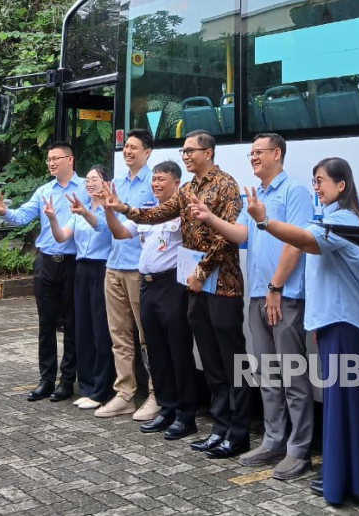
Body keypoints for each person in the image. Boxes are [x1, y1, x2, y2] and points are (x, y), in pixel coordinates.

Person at [103, 129, 250, 459]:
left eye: (190, 150)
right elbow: (157, 214)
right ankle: (220, 427)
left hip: (222, 284)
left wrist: (200, 271)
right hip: (196, 286)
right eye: (183, 151)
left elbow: (227, 236)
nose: (185, 155)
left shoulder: (225, 185)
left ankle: (239, 433)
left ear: (208, 153)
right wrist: (123, 208)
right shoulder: (188, 189)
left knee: (232, 360)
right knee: (210, 362)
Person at [244, 157, 359, 505]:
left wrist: (265, 221)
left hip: (348, 327)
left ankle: (343, 480)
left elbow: (303, 240)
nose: (316, 188)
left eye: (321, 181)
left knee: (343, 405)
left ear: (341, 186)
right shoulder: (336, 218)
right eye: (314, 181)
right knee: (344, 404)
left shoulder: (341, 221)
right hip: (337, 324)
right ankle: (350, 476)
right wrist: (318, 324)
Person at [189, 133, 314, 480]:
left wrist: (276, 287)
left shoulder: (295, 192)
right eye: (251, 153)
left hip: (284, 295)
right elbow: (242, 235)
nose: (253, 157)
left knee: (292, 377)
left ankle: (299, 450)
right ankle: (273, 440)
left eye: (259, 152)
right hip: (258, 294)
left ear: (277, 153)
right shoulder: (253, 196)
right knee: (267, 375)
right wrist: (210, 217)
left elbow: (297, 244)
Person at [103, 160, 197, 440]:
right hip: (147, 285)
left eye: (162, 180)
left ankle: (185, 414)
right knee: (155, 349)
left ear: (176, 183)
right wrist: (109, 211)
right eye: (154, 179)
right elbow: (121, 233)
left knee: (178, 351)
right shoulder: (147, 213)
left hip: (172, 284)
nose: (156, 184)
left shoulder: (183, 214)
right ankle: (166, 408)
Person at [0, 142, 88, 403]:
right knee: (46, 325)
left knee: (72, 324)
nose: (51, 163)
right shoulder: (44, 191)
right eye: (48, 159)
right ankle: (46, 379)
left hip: (73, 262)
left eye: (56, 158)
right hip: (45, 262)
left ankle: (67, 381)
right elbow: (22, 216)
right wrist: (5, 212)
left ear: (70, 159)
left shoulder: (85, 190)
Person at [96, 129, 159, 421]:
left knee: (147, 335)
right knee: (119, 335)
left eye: (134, 147)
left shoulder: (153, 183)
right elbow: (110, 225)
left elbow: (147, 222)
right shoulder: (116, 183)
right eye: (126, 147)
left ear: (147, 152)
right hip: (114, 264)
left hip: (138, 268)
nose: (128, 151)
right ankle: (124, 394)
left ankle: (156, 393)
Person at [43, 165, 115, 410]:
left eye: (95, 179)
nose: (90, 184)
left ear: (106, 182)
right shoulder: (79, 209)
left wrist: (84, 212)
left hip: (102, 268)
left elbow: (101, 227)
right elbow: (62, 236)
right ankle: (86, 386)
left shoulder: (109, 208)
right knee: (82, 327)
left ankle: (102, 389)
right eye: (88, 180)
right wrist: (52, 217)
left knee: (101, 329)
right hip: (81, 268)